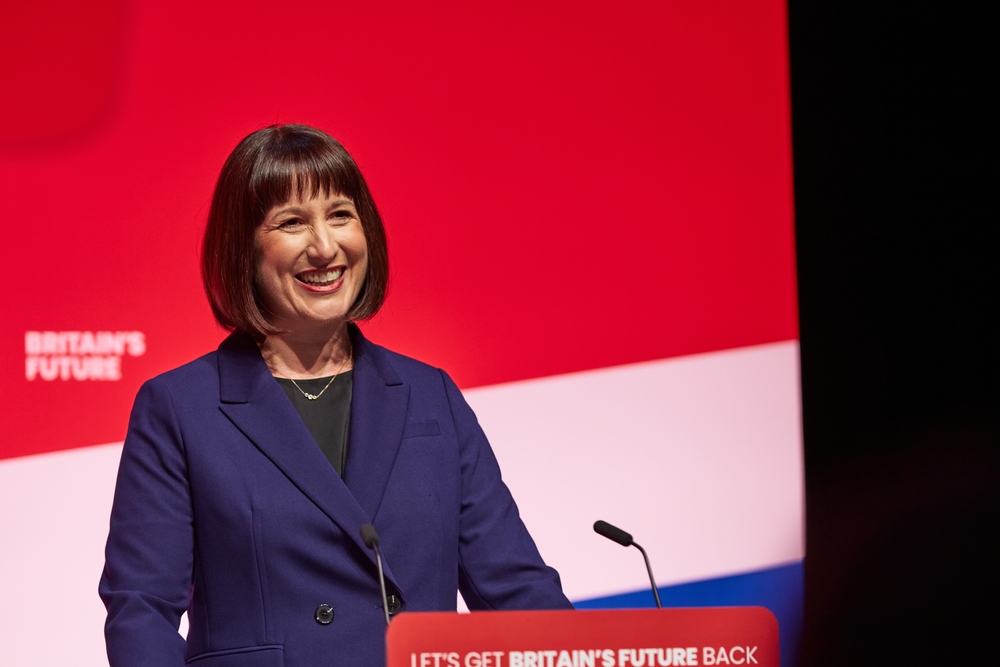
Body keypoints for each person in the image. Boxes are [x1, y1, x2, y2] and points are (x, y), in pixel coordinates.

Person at [99, 124, 572, 667]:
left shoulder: (430, 396)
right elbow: (141, 612)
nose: (325, 247)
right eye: (292, 222)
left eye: (341, 215)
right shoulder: (180, 408)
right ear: (243, 247)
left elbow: (516, 590)